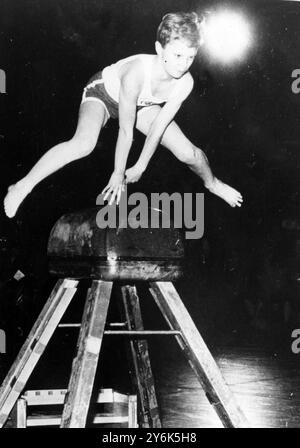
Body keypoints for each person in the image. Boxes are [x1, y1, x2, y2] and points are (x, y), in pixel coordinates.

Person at [4, 11, 243, 218]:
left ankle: (212, 184)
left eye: (190, 57)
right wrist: (118, 173)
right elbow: (126, 131)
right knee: (84, 144)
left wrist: (140, 165)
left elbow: (159, 127)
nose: (183, 64)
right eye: (178, 55)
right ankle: (22, 186)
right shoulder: (137, 73)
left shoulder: (184, 83)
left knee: (187, 153)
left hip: (142, 105)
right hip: (104, 96)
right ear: (160, 49)